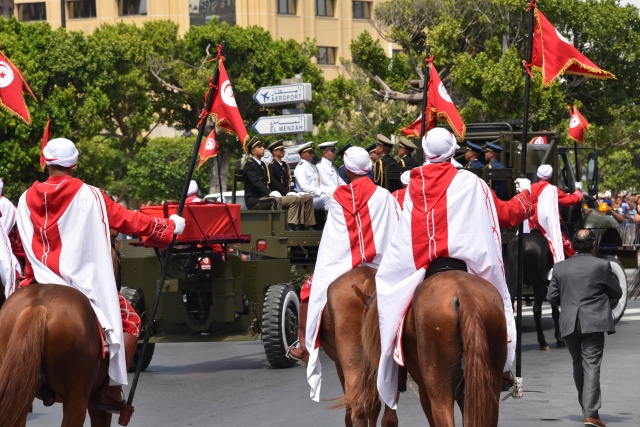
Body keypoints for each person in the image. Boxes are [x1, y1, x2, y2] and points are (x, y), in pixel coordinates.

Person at [14, 137, 185, 414]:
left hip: (36, 281)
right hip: (79, 284)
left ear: (45, 162)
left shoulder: (22, 198)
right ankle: (109, 390)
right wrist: (168, 227)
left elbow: (20, 246)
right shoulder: (90, 194)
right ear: (75, 164)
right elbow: (128, 220)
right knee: (130, 320)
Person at [375, 127, 535, 409]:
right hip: (468, 265)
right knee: (498, 299)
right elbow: (509, 215)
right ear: (452, 152)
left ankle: (395, 366)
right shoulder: (472, 182)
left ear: (425, 153)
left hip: (423, 266)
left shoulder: (409, 187)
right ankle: (505, 369)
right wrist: (525, 194)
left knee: (391, 305)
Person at [291, 146, 400, 401]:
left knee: (308, 290)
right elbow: (395, 233)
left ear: (347, 170)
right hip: (380, 266)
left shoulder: (337, 196)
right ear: (369, 169)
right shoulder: (385, 195)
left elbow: (334, 239)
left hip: (341, 265)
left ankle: (305, 346)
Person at [547, 229, 622, 427]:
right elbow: (617, 291)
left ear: (573, 245)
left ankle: (587, 409)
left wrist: (570, 300)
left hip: (569, 321)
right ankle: (591, 413)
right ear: (592, 245)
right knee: (591, 365)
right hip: (593, 321)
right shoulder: (602, 265)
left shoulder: (560, 267)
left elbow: (551, 297)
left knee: (577, 364)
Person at [243, 136, 305, 231]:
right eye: (259, 147)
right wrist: (269, 192)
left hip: (264, 198)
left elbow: (269, 181)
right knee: (275, 200)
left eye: (262, 146)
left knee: (295, 200)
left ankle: (292, 224)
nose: (263, 148)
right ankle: (279, 228)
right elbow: (257, 182)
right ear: (253, 151)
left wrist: (289, 192)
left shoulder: (263, 164)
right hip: (254, 200)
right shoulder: (249, 165)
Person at [525, 164, 584, 261]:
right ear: (551, 176)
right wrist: (578, 190)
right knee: (568, 246)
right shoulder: (553, 189)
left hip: (530, 225)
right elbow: (570, 200)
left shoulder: (529, 188)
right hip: (545, 225)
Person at [267, 140, 316, 230]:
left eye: (283, 150)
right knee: (296, 199)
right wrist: (287, 192)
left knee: (307, 197)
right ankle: (292, 224)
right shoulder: (271, 166)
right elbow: (274, 183)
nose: (283, 152)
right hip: (278, 194)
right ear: (274, 152)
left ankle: (308, 224)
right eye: (281, 150)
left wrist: (294, 191)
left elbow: (288, 182)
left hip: (286, 192)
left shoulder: (285, 165)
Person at [293, 142, 334, 210]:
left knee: (334, 194)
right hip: (306, 198)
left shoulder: (313, 166)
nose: (312, 155)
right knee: (328, 198)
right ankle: (329, 218)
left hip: (316, 196)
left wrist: (329, 190)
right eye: (310, 153)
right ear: (302, 154)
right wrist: (320, 191)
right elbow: (304, 187)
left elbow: (319, 184)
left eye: (312, 152)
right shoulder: (300, 167)